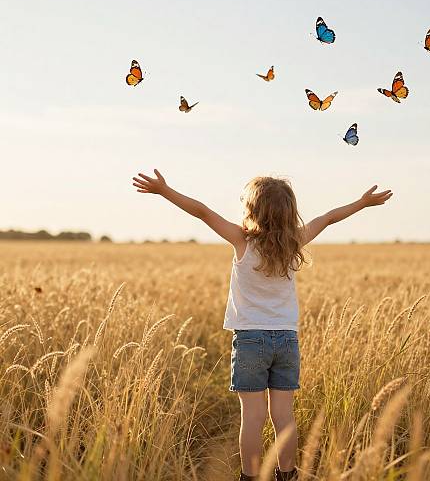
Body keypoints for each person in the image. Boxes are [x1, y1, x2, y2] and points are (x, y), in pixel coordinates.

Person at [132, 170, 393, 481]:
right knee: (284, 416)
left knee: (252, 417)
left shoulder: (241, 241)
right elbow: (328, 218)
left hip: (251, 339)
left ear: (252, 211)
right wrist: (362, 203)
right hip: (286, 340)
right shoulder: (294, 241)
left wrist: (164, 190)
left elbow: (201, 211)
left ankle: (250, 477)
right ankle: (288, 474)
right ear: (288, 213)